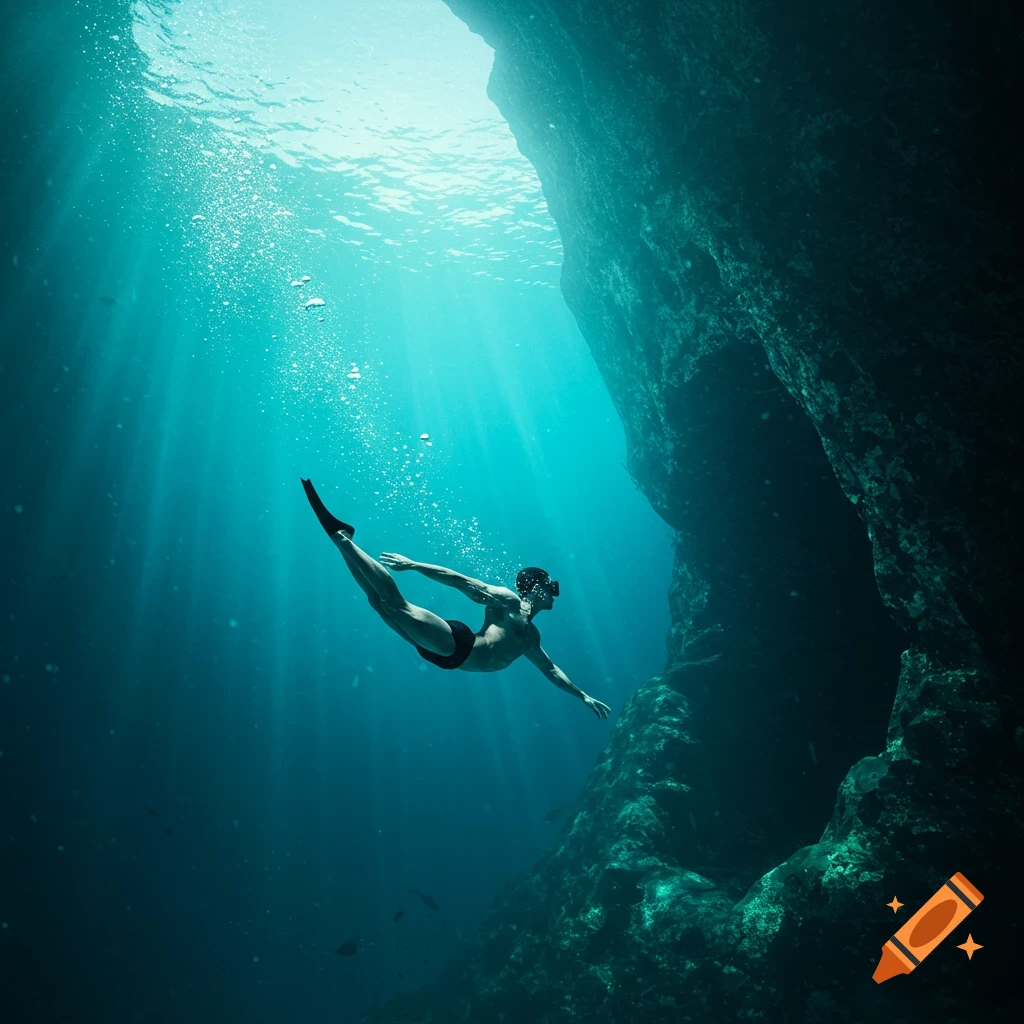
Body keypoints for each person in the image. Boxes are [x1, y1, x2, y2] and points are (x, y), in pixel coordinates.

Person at [301, 479, 611, 719]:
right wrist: (414, 565)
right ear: (537, 587)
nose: (556, 593)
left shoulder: (531, 636)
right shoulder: (509, 602)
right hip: (459, 645)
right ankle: (343, 538)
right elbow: (462, 582)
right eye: (552, 586)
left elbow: (551, 670)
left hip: (449, 660)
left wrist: (582, 695)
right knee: (395, 605)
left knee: (377, 604)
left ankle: (343, 544)